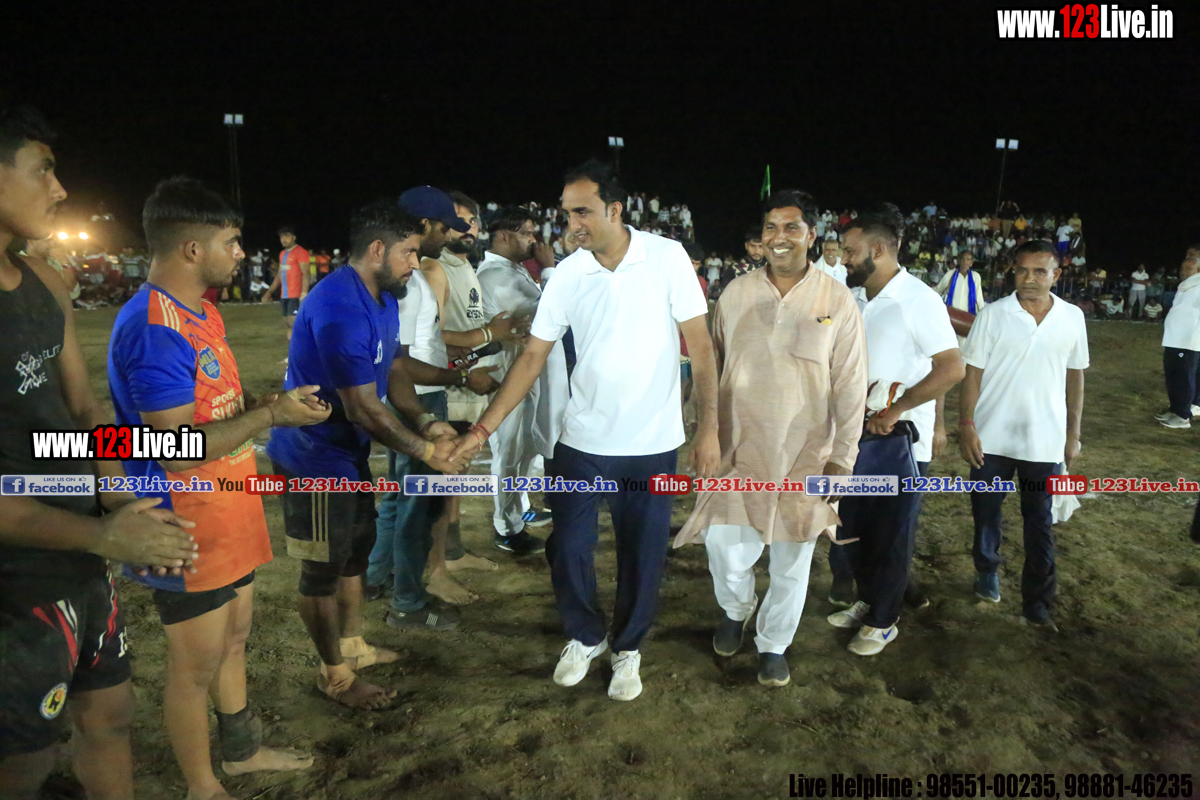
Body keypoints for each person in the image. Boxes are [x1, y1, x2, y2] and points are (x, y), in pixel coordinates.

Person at [450, 159, 719, 701]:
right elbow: (531, 357)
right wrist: (481, 431)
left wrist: (707, 429)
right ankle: (586, 635)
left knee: (642, 553)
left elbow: (702, 347)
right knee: (568, 546)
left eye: (582, 212)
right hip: (579, 441)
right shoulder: (569, 274)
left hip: (652, 444)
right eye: (567, 213)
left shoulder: (666, 257)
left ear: (614, 210)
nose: (571, 223)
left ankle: (629, 648)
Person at [0, 105, 199, 800]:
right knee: (24, 761)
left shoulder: (45, 283)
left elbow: (85, 412)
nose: (59, 189)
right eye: (43, 171)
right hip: (16, 576)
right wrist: (105, 534)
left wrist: (119, 498)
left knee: (111, 714)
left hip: (82, 551)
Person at [108, 177, 328, 799]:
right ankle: (202, 786)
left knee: (234, 640)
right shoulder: (154, 326)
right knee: (193, 668)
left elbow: (212, 404)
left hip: (231, 506)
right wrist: (271, 416)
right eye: (231, 242)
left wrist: (260, 402)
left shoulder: (201, 311)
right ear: (191, 249)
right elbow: (173, 449)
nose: (240, 253)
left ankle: (242, 751)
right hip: (185, 523)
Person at [266, 201, 464, 710]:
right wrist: (427, 451)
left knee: (355, 551)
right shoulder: (340, 307)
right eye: (408, 253)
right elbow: (362, 409)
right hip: (312, 458)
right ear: (378, 250)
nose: (415, 263)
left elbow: (393, 368)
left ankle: (352, 647)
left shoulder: (384, 296)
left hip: (344, 453)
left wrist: (424, 420)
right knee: (321, 570)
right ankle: (334, 676)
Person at [675, 191, 867, 687]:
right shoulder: (735, 294)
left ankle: (774, 644)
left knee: (791, 559)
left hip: (806, 455)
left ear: (811, 236)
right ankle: (735, 610)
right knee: (724, 548)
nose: (779, 238)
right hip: (737, 450)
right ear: (761, 238)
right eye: (771, 228)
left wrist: (842, 459)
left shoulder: (837, 300)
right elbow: (710, 369)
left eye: (791, 228)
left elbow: (851, 382)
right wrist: (705, 431)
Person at [827, 204, 964, 656]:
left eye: (851, 251)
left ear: (878, 250)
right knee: (855, 527)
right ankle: (870, 601)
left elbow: (952, 367)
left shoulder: (917, 300)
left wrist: (898, 409)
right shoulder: (859, 299)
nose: (844, 259)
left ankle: (884, 621)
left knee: (891, 533)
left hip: (900, 440)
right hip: (858, 436)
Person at [959, 240, 1088, 631]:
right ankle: (987, 569)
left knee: (1039, 522)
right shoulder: (994, 315)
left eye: (1039, 271)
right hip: (991, 437)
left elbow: (1075, 376)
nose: (1029, 279)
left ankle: (1037, 602)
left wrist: (1073, 433)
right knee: (986, 511)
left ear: (1056, 275)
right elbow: (972, 374)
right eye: (1022, 270)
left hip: (1044, 441)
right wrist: (967, 425)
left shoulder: (1072, 318)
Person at [410, 189, 538, 558]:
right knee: (434, 482)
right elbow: (426, 336)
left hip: (464, 382)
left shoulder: (464, 267)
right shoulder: (435, 268)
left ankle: (452, 555)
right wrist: (487, 336)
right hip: (441, 386)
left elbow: (467, 326)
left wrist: (496, 336)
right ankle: (431, 566)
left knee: (455, 474)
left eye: (473, 220)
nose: (467, 228)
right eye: (459, 221)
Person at [476, 208, 570, 555]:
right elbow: (550, 312)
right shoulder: (495, 277)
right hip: (510, 376)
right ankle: (507, 528)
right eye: (527, 233)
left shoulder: (512, 270)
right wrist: (549, 268)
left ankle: (521, 507)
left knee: (526, 447)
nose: (533, 240)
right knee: (510, 450)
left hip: (527, 375)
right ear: (503, 236)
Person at [1155, 257, 1200, 429]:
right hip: (1174, 339)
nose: (1184, 271)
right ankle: (1174, 409)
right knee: (1173, 376)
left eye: (1189, 268)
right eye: (1183, 267)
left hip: (1188, 341)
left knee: (1184, 379)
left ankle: (1183, 416)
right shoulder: (1185, 286)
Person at [261, 226, 309, 351]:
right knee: (288, 324)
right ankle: (292, 354)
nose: (284, 239)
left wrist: (304, 293)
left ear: (294, 237)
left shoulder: (301, 252)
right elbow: (279, 275)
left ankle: (303, 352)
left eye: (287, 236)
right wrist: (269, 292)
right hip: (285, 295)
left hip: (296, 295)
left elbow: (306, 274)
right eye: (282, 237)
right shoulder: (282, 254)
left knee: (294, 324)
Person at [935, 251, 987, 345]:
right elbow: (938, 290)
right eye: (963, 259)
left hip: (966, 318)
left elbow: (979, 298)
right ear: (959, 261)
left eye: (968, 260)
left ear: (971, 262)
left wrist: (983, 315)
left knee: (963, 346)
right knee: (948, 344)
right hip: (951, 316)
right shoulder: (950, 274)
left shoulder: (975, 276)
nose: (965, 262)